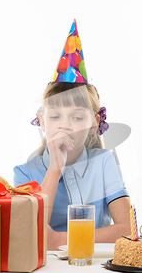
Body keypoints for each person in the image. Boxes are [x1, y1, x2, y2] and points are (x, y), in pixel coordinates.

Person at [14, 21, 130, 250]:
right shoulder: (24, 173)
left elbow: (128, 229)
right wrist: (55, 169)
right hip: (46, 269)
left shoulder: (104, 162)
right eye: (55, 116)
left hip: (96, 265)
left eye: (77, 118)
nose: (64, 126)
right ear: (42, 121)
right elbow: (29, 233)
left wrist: (59, 239)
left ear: (93, 124)